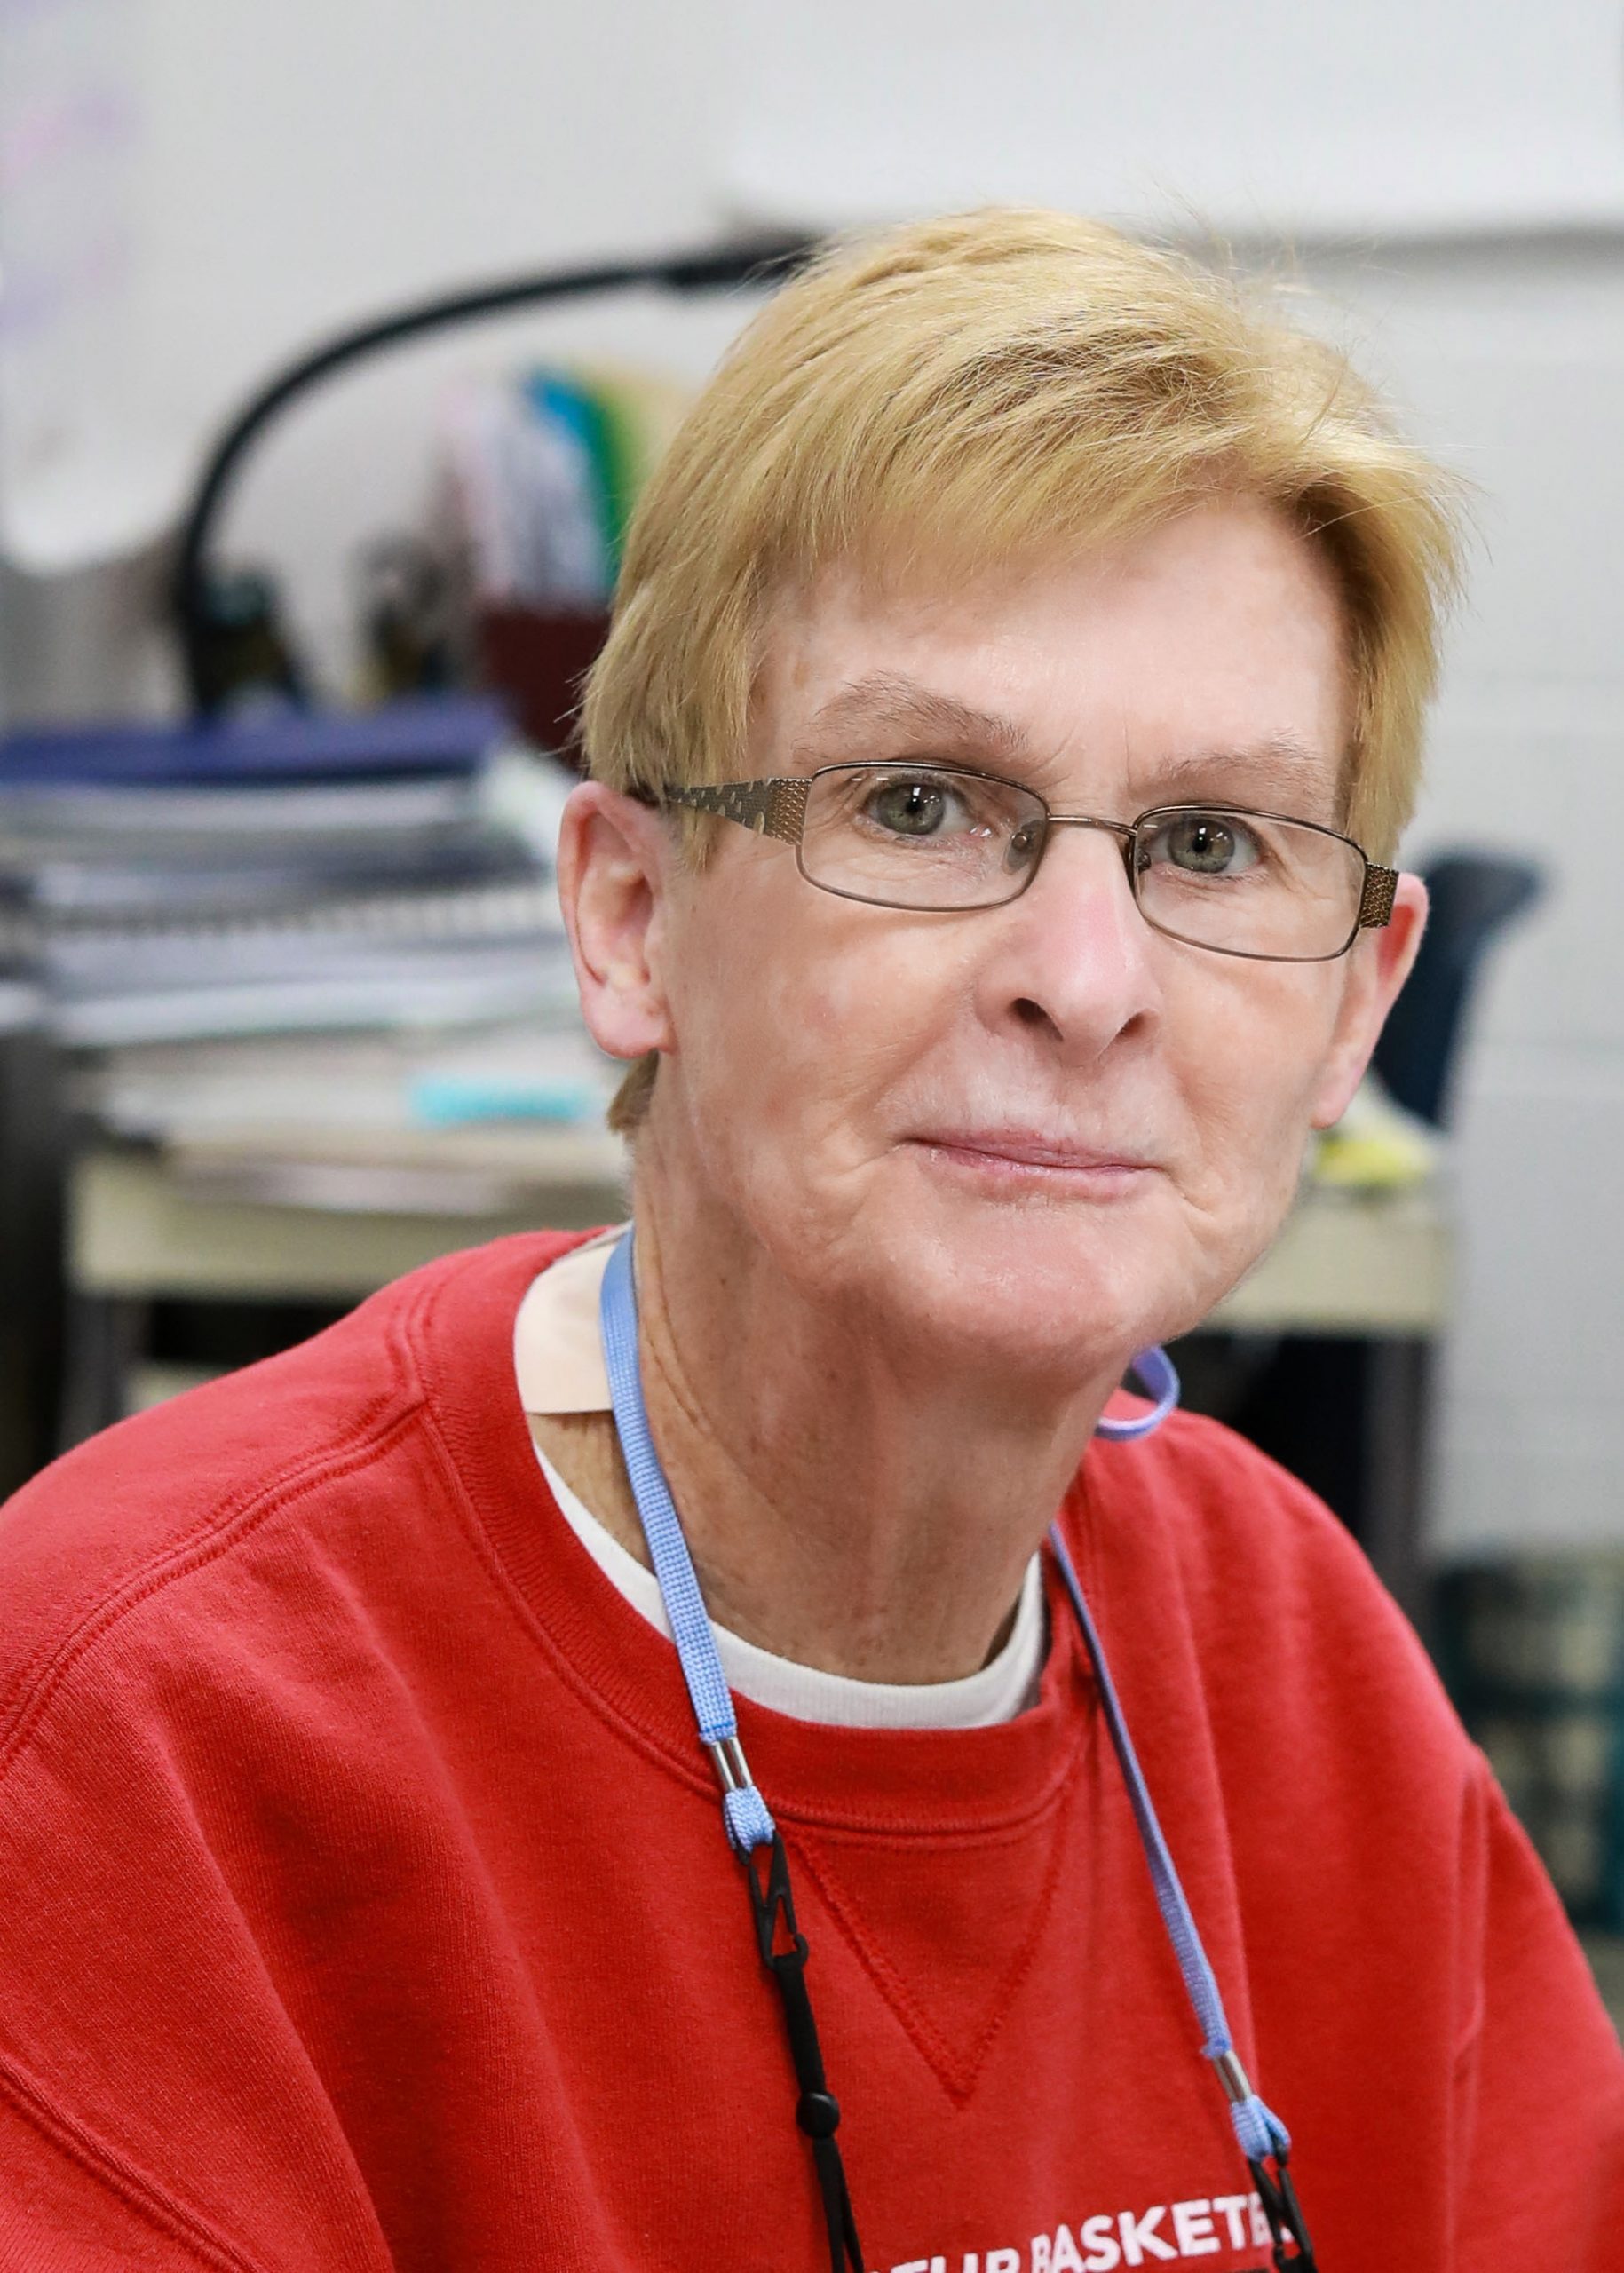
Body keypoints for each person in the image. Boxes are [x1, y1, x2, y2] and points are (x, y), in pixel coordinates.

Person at [0, 210, 1618, 2273]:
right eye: (929, 804)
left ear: (1353, 1005)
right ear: (631, 915)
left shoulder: (1294, 1666)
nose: (1088, 975)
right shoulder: (138, 1727)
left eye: (1214, 841)